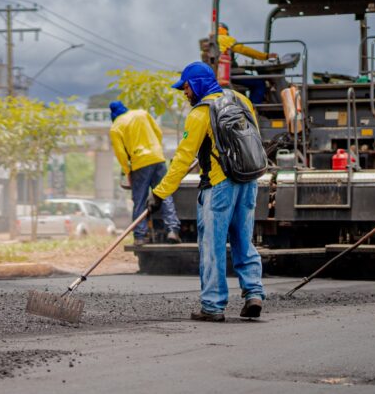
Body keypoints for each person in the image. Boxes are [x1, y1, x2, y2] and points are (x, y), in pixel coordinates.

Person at [149, 62, 265, 322]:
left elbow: (182, 159)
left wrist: (159, 193)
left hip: (219, 185)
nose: (185, 93)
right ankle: (254, 294)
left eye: (186, 87)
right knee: (244, 240)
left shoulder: (201, 113)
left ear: (198, 84)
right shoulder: (241, 100)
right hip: (249, 181)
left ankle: (213, 306)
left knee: (212, 246)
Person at [108, 101, 180, 244]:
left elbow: (121, 153)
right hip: (158, 159)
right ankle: (172, 230)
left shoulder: (115, 127)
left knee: (139, 200)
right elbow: (158, 133)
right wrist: (156, 149)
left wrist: (127, 171)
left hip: (139, 163)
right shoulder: (142, 114)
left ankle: (140, 236)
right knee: (164, 194)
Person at [216, 22, 276, 105]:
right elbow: (245, 50)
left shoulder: (213, 41)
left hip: (220, 74)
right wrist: (265, 56)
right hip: (230, 74)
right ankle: (253, 107)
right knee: (259, 83)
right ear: (226, 31)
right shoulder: (227, 39)